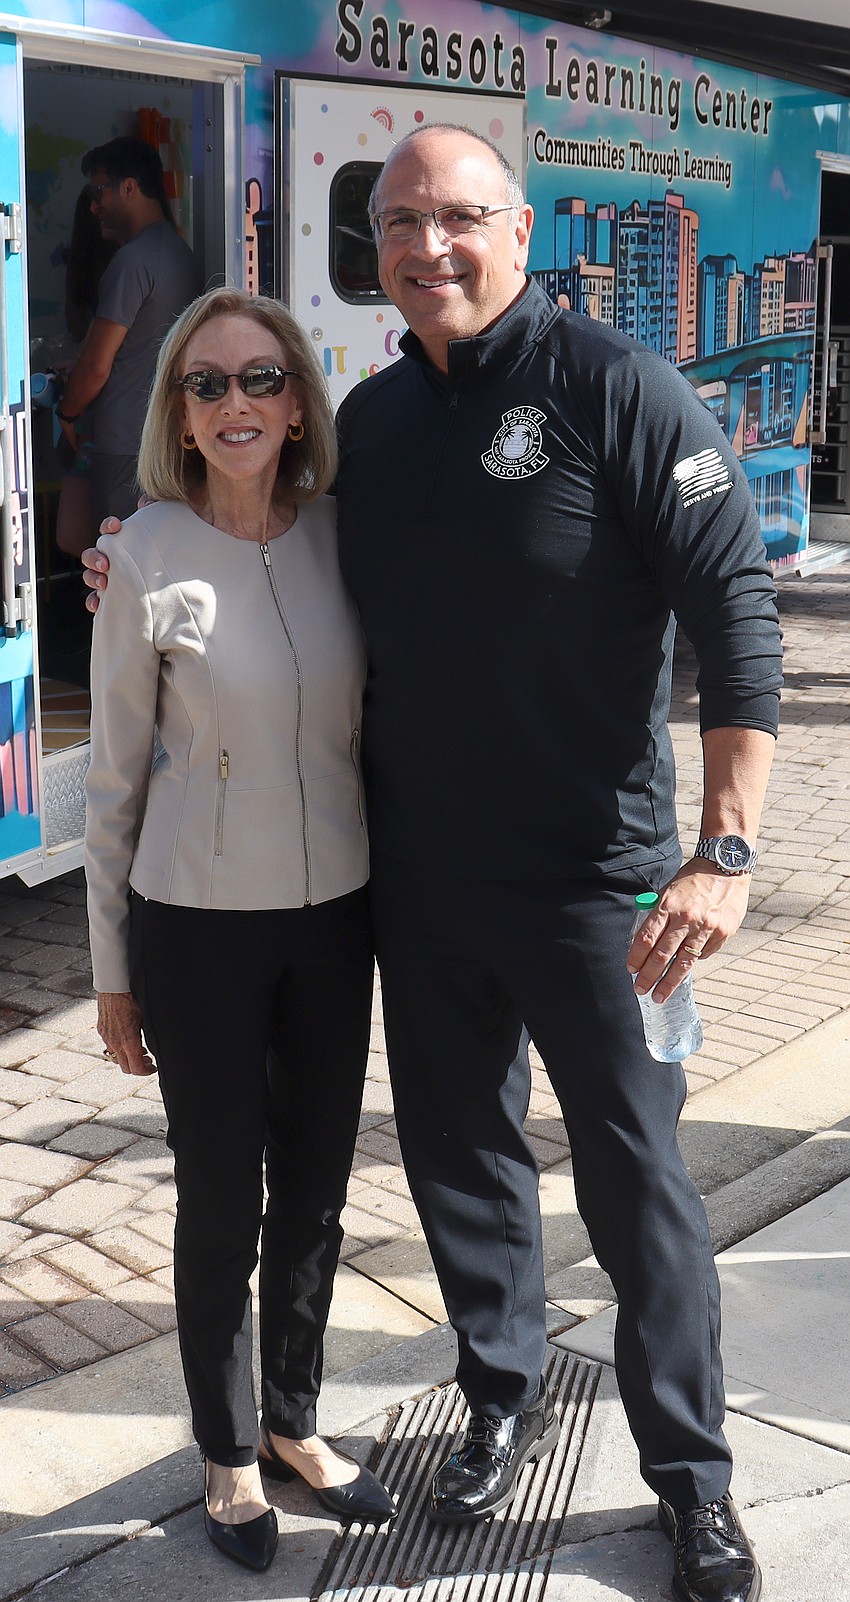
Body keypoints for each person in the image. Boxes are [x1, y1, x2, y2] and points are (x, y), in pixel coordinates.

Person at [83, 128, 781, 1602]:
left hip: (603, 891)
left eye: (460, 218)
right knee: (464, 1167)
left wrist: (721, 848)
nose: (430, 247)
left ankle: (690, 1478)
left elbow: (736, 621)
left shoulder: (618, 387)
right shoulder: (374, 425)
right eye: (400, 222)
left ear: (517, 232)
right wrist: (140, 560)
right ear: (374, 249)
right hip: (416, 886)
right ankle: (499, 1395)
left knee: (636, 1178)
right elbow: (259, 546)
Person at [84, 285, 395, 1573]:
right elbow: (110, 777)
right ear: (176, 410)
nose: (234, 405)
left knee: (318, 1191)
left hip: (335, 921)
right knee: (224, 1199)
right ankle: (224, 1453)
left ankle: (294, 1422)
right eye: (205, 385)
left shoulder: (346, 535)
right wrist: (110, 974)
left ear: (297, 397)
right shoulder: (146, 552)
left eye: (258, 379)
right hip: (197, 927)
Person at [58, 136, 201, 539]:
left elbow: (97, 366)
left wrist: (67, 414)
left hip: (123, 445)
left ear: (129, 187)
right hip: (162, 437)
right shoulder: (179, 252)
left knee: (114, 561)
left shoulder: (132, 260)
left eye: (98, 191)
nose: (93, 205)